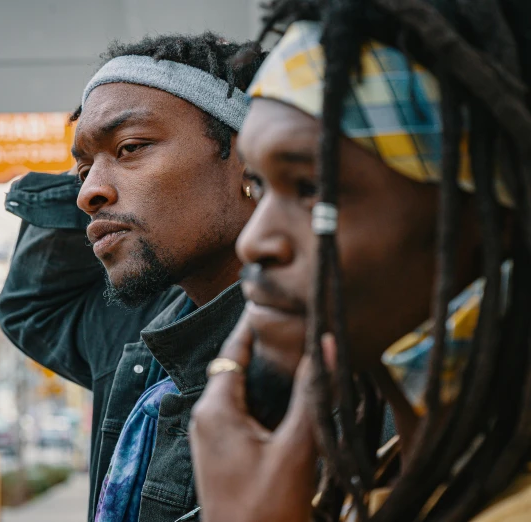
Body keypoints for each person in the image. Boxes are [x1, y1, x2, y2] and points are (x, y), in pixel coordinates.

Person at [190, 1, 531, 521]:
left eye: (312, 189)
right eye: (257, 186)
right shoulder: (377, 480)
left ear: (493, 222)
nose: (254, 243)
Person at [0, 33, 284, 522]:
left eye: (129, 147)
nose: (86, 193)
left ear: (250, 160)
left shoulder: (332, 362)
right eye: (82, 169)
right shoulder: (149, 340)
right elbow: (32, 310)